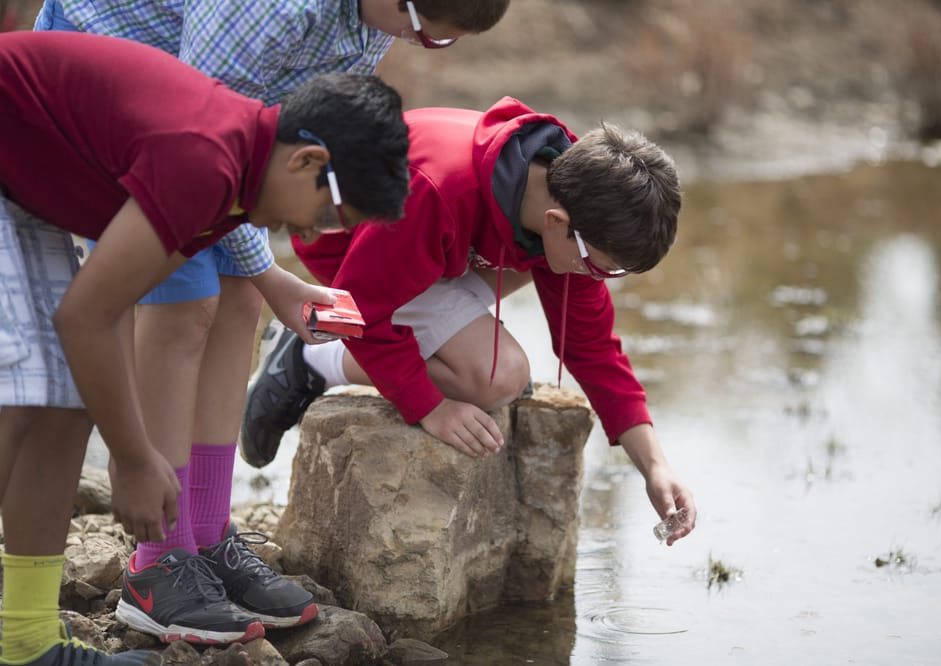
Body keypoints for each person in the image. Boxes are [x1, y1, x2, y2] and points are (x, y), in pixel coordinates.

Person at [33, 0, 508, 643]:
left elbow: (258, 137)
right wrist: (273, 271)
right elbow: (197, 142)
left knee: (239, 304)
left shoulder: (373, 19)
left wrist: (265, 280)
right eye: (421, 30)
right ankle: (157, 561)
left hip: (201, 120)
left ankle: (204, 531)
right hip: (108, 97)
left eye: (441, 44)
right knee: (184, 310)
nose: (418, 45)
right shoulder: (272, 7)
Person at [0, 30, 410, 664]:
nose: (315, 231)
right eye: (331, 214)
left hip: (23, 187)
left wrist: (130, 446)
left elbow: (100, 317)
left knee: (67, 399)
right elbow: (87, 316)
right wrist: (134, 459)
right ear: (307, 162)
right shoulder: (205, 160)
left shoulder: (240, 173)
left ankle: (24, 642)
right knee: (18, 402)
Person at [242, 97, 699, 545]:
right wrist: (427, 406)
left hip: (433, 250)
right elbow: (360, 306)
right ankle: (312, 355)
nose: (600, 279)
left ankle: (410, 334)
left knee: (526, 294)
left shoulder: (570, 193)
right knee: (497, 377)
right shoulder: (438, 190)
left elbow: (591, 346)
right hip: (351, 253)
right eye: (601, 268)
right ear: (558, 223)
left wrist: (655, 467)